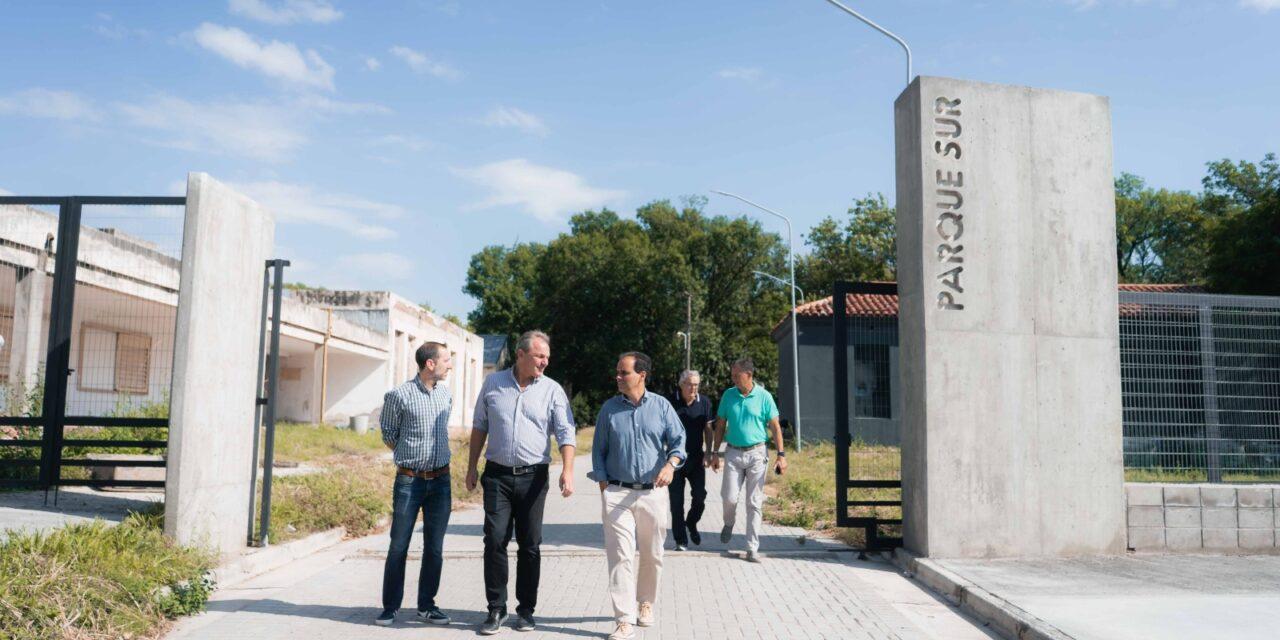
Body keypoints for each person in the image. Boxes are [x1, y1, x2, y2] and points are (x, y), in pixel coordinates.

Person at [467, 330, 576, 635]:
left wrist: (568, 470)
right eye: (540, 356)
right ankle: (496, 609)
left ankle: (526, 611)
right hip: (497, 475)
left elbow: (566, 433)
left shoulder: (552, 390)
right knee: (495, 539)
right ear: (521, 354)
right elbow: (479, 426)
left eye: (547, 357)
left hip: (533, 478)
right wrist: (471, 468)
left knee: (530, 545)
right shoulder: (493, 384)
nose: (545, 362)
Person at [591, 351, 686, 640]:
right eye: (618, 372)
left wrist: (671, 465)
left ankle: (645, 602)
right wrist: (605, 489)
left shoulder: (661, 406)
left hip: (653, 493)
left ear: (641, 374)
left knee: (652, 554)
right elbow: (599, 452)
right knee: (620, 556)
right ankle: (623, 619)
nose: (618, 377)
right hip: (617, 492)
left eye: (624, 373)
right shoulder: (609, 409)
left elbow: (679, 442)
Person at [376, 342, 455, 627]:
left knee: (434, 547)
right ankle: (390, 607)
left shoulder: (446, 395)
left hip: (441, 481)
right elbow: (388, 433)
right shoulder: (399, 395)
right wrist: (409, 457)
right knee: (399, 545)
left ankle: (426, 606)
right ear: (430, 364)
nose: (450, 364)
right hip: (409, 481)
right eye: (446, 359)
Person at [710, 357, 788, 563]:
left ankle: (752, 548)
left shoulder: (764, 397)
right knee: (729, 497)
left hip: (757, 453)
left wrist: (781, 455)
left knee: (754, 502)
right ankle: (729, 522)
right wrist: (714, 453)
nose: (733, 379)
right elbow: (719, 426)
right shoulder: (728, 395)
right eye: (732, 375)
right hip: (733, 453)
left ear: (749, 375)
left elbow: (775, 427)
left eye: (737, 375)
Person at [667, 369, 714, 551]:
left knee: (700, 496)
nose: (693, 388)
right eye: (690, 384)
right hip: (674, 460)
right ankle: (681, 540)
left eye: (696, 384)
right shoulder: (670, 402)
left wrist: (709, 452)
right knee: (676, 502)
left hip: (696, 459)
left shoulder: (705, 402)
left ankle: (692, 522)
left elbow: (708, 429)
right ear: (681, 385)